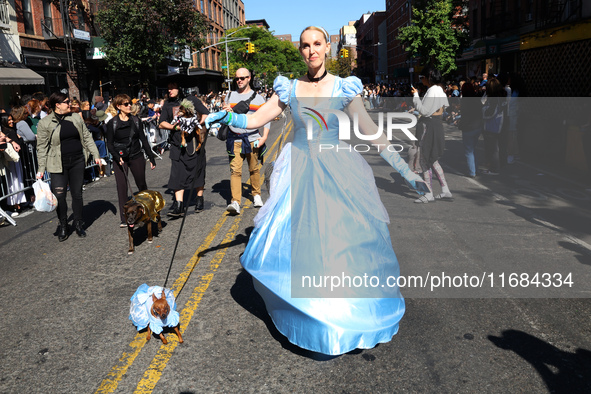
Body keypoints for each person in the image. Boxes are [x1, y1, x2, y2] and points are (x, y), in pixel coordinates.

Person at [205, 26, 427, 355]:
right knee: (304, 246)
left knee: (342, 246)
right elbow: (255, 121)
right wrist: (227, 117)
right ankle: (312, 317)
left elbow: (370, 133)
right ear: (301, 51)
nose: (312, 50)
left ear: (327, 47)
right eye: (305, 45)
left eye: (317, 44)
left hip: (338, 170)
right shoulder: (289, 89)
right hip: (298, 171)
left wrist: (407, 172)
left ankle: (345, 315)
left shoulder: (344, 87)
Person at [35, 92, 101, 241]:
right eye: (66, 102)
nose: (70, 104)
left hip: (77, 160)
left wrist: (96, 155)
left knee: (77, 194)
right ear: (57, 105)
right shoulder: (45, 123)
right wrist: (41, 169)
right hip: (57, 164)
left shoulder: (76, 117)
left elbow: (86, 137)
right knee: (59, 196)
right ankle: (64, 224)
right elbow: (42, 147)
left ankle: (78, 223)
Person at [222, 68, 270, 214]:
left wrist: (264, 137)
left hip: (253, 138)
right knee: (235, 171)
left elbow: (266, 118)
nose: (239, 81)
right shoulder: (229, 96)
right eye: (237, 78)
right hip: (234, 138)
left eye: (242, 78)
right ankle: (235, 201)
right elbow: (224, 117)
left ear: (249, 78)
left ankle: (256, 195)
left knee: (254, 168)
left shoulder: (258, 98)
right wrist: (226, 113)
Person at [159, 81, 209, 216]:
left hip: (194, 142)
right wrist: (175, 127)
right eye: (168, 88)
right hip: (177, 144)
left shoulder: (191, 99)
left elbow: (205, 113)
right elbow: (161, 123)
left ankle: (199, 199)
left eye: (172, 88)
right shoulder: (168, 104)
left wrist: (197, 124)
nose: (170, 90)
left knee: (198, 171)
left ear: (179, 88)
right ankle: (179, 205)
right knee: (177, 174)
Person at [106, 94, 156, 227]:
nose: (129, 106)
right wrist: (117, 157)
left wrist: (151, 157)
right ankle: (125, 219)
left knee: (141, 185)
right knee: (122, 188)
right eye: (126, 104)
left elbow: (143, 140)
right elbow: (109, 144)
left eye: (130, 103)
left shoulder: (136, 120)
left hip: (136, 155)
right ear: (118, 106)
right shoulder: (112, 123)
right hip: (120, 159)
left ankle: (145, 212)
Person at [411, 67, 453, 202]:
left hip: (428, 127)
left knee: (424, 160)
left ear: (428, 77)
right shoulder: (440, 89)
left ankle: (428, 193)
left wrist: (416, 95)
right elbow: (445, 106)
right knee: (433, 159)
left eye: (422, 77)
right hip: (437, 125)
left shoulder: (432, 90)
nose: (421, 80)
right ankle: (445, 189)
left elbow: (424, 110)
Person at [458, 81, 483, 177]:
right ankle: (476, 169)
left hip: (468, 127)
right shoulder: (477, 99)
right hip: (477, 126)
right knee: (473, 150)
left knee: (469, 151)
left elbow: (464, 115)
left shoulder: (464, 101)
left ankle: (472, 171)